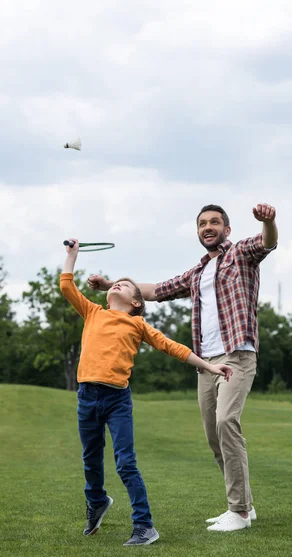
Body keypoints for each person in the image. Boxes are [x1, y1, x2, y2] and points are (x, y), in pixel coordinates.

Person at [88, 203, 278, 532]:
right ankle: (243, 503)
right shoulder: (197, 273)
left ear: (226, 230)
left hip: (237, 355)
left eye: (215, 222)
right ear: (197, 231)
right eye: (203, 223)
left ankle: (240, 512)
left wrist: (270, 221)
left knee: (226, 422)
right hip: (207, 364)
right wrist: (110, 286)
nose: (208, 227)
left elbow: (267, 242)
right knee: (214, 436)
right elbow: (156, 290)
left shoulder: (240, 255)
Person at [60, 238, 233, 546]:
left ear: (136, 302)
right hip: (87, 396)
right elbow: (66, 287)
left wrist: (209, 366)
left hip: (117, 400)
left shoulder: (138, 326)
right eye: (116, 284)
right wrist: (71, 256)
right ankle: (97, 501)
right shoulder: (93, 312)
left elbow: (173, 347)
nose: (118, 286)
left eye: (125, 286)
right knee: (90, 459)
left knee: (126, 463)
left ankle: (144, 526)